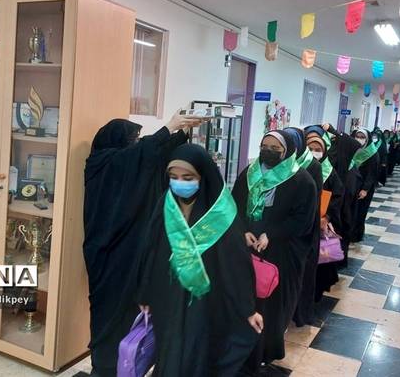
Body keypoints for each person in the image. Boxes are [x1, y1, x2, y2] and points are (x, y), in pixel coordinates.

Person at [82, 111, 201, 376]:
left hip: (128, 252)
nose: (136, 142)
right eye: (132, 138)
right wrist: (168, 127)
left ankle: (124, 364)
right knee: (107, 313)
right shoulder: (101, 163)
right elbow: (140, 155)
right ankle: (103, 366)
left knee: (128, 313)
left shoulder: (124, 160)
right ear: (115, 140)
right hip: (106, 254)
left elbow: (151, 157)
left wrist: (180, 133)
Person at [137, 144, 262, 376]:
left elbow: (236, 265)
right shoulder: (166, 203)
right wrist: (145, 293)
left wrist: (247, 309)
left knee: (194, 354)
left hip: (205, 301)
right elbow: (150, 250)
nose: (179, 183)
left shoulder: (221, 211)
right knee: (169, 351)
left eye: (188, 178)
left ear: (203, 176)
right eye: (173, 177)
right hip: (167, 295)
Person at [232, 130, 317, 373]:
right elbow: (234, 206)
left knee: (273, 303)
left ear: (287, 151)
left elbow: (303, 220)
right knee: (247, 297)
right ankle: (243, 347)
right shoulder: (249, 174)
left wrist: (272, 234)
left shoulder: (301, 180)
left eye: (274, 148)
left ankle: (267, 349)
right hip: (249, 247)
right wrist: (242, 231)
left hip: (281, 252)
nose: (267, 151)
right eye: (264, 146)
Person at [284, 127, 323, 328]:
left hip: (304, 228)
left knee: (301, 273)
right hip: (281, 229)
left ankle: (299, 313)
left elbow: (312, 201)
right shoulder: (280, 163)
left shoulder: (312, 166)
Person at [304, 131, 345, 298]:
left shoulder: (329, 171)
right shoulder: (299, 167)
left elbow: (338, 195)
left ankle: (316, 291)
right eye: (310, 149)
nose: (314, 152)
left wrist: (327, 217)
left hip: (321, 221)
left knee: (320, 259)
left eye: (318, 149)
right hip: (304, 222)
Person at [351, 129, 380, 243]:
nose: (359, 139)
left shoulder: (372, 153)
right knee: (351, 211)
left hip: (364, 188)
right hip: (353, 185)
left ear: (367, 139)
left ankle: (357, 235)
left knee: (360, 212)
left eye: (362, 137)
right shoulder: (353, 149)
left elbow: (372, 174)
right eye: (357, 136)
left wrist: (365, 189)